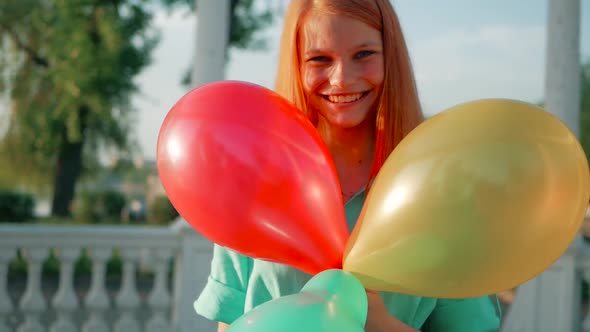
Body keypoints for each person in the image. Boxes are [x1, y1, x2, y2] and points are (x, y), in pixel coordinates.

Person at [194, 0, 502, 331]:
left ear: (390, 58)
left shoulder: (440, 191)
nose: (342, 79)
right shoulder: (254, 180)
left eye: (363, 55)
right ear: (297, 64)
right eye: (320, 59)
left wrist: (381, 323)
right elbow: (230, 325)